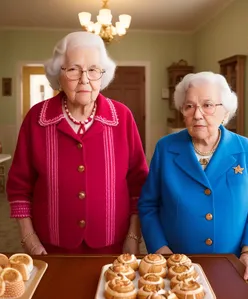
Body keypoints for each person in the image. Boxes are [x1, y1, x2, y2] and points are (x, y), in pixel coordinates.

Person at [7, 31, 148, 255]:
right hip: (51, 245)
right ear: (58, 74)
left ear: (102, 75)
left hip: (113, 244)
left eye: (93, 69)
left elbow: (138, 184)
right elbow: (19, 187)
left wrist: (133, 236)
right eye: (73, 69)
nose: (84, 79)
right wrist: (28, 238)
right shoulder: (37, 118)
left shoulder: (122, 116)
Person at [138, 71, 248, 282]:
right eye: (189, 106)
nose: (197, 114)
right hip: (177, 266)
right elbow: (148, 205)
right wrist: (160, 249)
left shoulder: (246, 149)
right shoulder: (166, 148)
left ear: (225, 112)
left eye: (207, 105)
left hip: (231, 265)